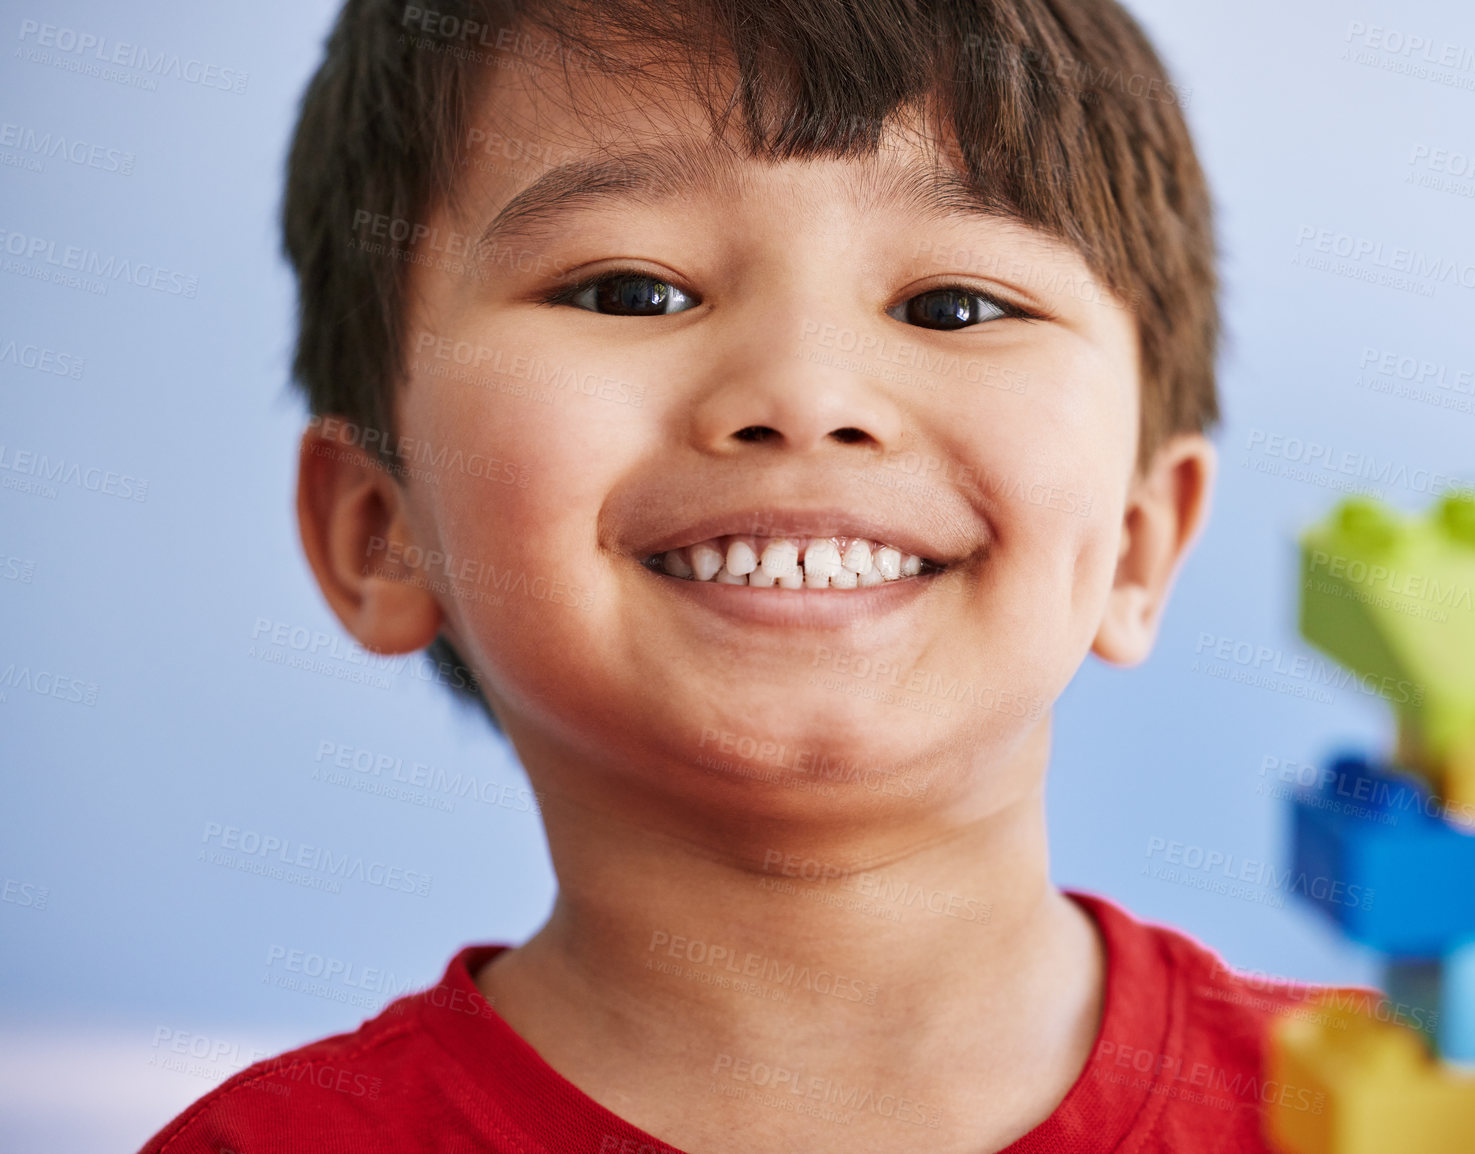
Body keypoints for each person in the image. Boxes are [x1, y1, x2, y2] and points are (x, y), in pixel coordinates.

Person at [143, 0, 1341, 1149]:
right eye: (631, 290)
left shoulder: (1434, 1116)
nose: (804, 395)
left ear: (1139, 538)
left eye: (956, 304)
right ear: (380, 528)